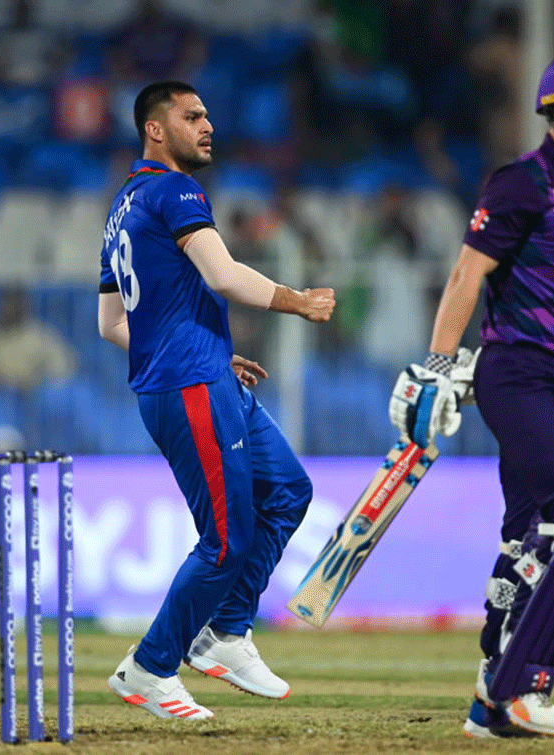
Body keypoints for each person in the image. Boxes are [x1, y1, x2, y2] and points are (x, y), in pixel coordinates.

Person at [388, 50, 554, 738]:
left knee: (529, 534)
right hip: (518, 375)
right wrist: (441, 365)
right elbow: (466, 277)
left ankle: (487, 694)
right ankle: (526, 685)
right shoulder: (521, 184)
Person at [97, 80, 335, 721]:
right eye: (192, 116)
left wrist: (196, 343)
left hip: (203, 375)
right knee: (226, 541)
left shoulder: (123, 207)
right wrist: (299, 300)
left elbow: (111, 322)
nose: (208, 125)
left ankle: (225, 633)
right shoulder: (175, 189)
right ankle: (148, 668)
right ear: (155, 128)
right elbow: (224, 276)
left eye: (208, 114)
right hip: (190, 390)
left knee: (289, 491)